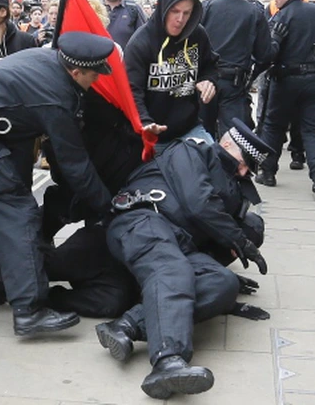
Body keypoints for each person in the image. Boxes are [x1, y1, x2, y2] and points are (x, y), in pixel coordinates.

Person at [0, 32, 118, 336]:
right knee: (19, 215)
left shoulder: (48, 59)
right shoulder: (57, 96)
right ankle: (29, 311)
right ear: (76, 72)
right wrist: (107, 206)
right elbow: (75, 164)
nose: (96, 81)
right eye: (93, 75)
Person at [99, 119, 272, 399]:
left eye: (249, 170)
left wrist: (241, 243)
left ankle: (127, 325)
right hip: (144, 221)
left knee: (222, 283)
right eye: (244, 162)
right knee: (172, 270)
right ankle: (167, 361)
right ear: (227, 144)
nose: (243, 171)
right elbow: (198, 203)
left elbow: (229, 222)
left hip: (181, 241)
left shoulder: (230, 181)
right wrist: (239, 242)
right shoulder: (190, 151)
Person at [125, 0, 219, 150]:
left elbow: (211, 65)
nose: (180, 19)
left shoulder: (198, 35)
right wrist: (145, 124)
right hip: (152, 134)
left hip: (189, 129)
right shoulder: (141, 42)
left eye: (187, 13)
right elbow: (132, 91)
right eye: (175, 11)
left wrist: (209, 80)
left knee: (216, 167)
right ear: (163, 8)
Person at [200, 0, 275, 138]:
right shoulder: (254, 12)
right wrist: (250, 77)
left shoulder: (207, 7)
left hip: (205, 82)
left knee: (202, 136)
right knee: (233, 141)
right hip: (234, 84)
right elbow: (265, 55)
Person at [255, 0, 315, 193]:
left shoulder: (281, 17)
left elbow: (269, 54)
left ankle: (268, 172)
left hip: (286, 80)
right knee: (311, 130)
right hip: (312, 79)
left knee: (273, 125)